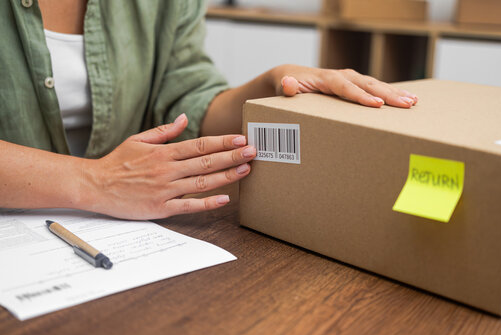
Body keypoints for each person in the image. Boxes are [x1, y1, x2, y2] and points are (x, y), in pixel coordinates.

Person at [0, 0, 418, 220]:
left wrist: (269, 85)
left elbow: (185, 98)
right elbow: (108, 182)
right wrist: (98, 182)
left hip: (120, 227)